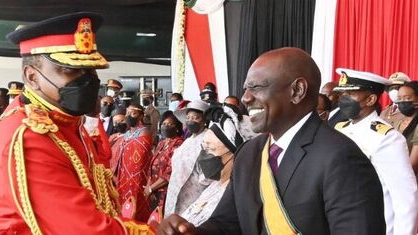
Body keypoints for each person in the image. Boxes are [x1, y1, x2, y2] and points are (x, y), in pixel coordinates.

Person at [157, 47, 386, 235]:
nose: (246, 98)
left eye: (257, 87)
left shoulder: (340, 158)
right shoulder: (250, 153)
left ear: (297, 90)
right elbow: (228, 224)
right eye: (246, 88)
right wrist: (191, 233)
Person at [0, 12, 154, 234]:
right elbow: (84, 230)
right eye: (71, 70)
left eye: (90, 70)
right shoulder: (30, 136)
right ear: (32, 77)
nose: (87, 80)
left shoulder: (65, 119)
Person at [334, 68, 418, 235]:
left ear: (371, 99)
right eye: (342, 93)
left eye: (350, 94)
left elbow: (405, 198)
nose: (343, 99)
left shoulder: (387, 138)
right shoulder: (340, 129)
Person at [180, 104, 250, 226]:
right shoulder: (215, 186)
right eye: (204, 147)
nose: (204, 154)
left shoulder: (235, 198)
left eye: (210, 148)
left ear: (235, 155)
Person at [165, 100, 210, 217]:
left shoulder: (208, 138)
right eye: (188, 117)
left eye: (195, 118)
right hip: (175, 189)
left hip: (194, 192)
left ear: (204, 120)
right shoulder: (188, 140)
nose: (191, 121)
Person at [113, 104, 153, 222]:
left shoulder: (144, 132)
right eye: (127, 113)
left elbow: (140, 157)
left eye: (133, 113)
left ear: (140, 115)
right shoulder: (127, 133)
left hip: (137, 176)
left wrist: (124, 144)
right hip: (123, 176)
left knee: (136, 204)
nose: (128, 116)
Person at [144, 111, 184, 212]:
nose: (166, 126)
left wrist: (151, 188)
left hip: (166, 192)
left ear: (177, 127)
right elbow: (152, 166)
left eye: (170, 124)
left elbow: (170, 172)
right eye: (164, 124)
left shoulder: (178, 144)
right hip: (154, 191)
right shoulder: (161, 143)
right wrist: (149, 186)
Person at [393, 81, 418, 175]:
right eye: (399, 98)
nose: (402, 101)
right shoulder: (397, 123)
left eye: (407, 98)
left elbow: (413, 165)